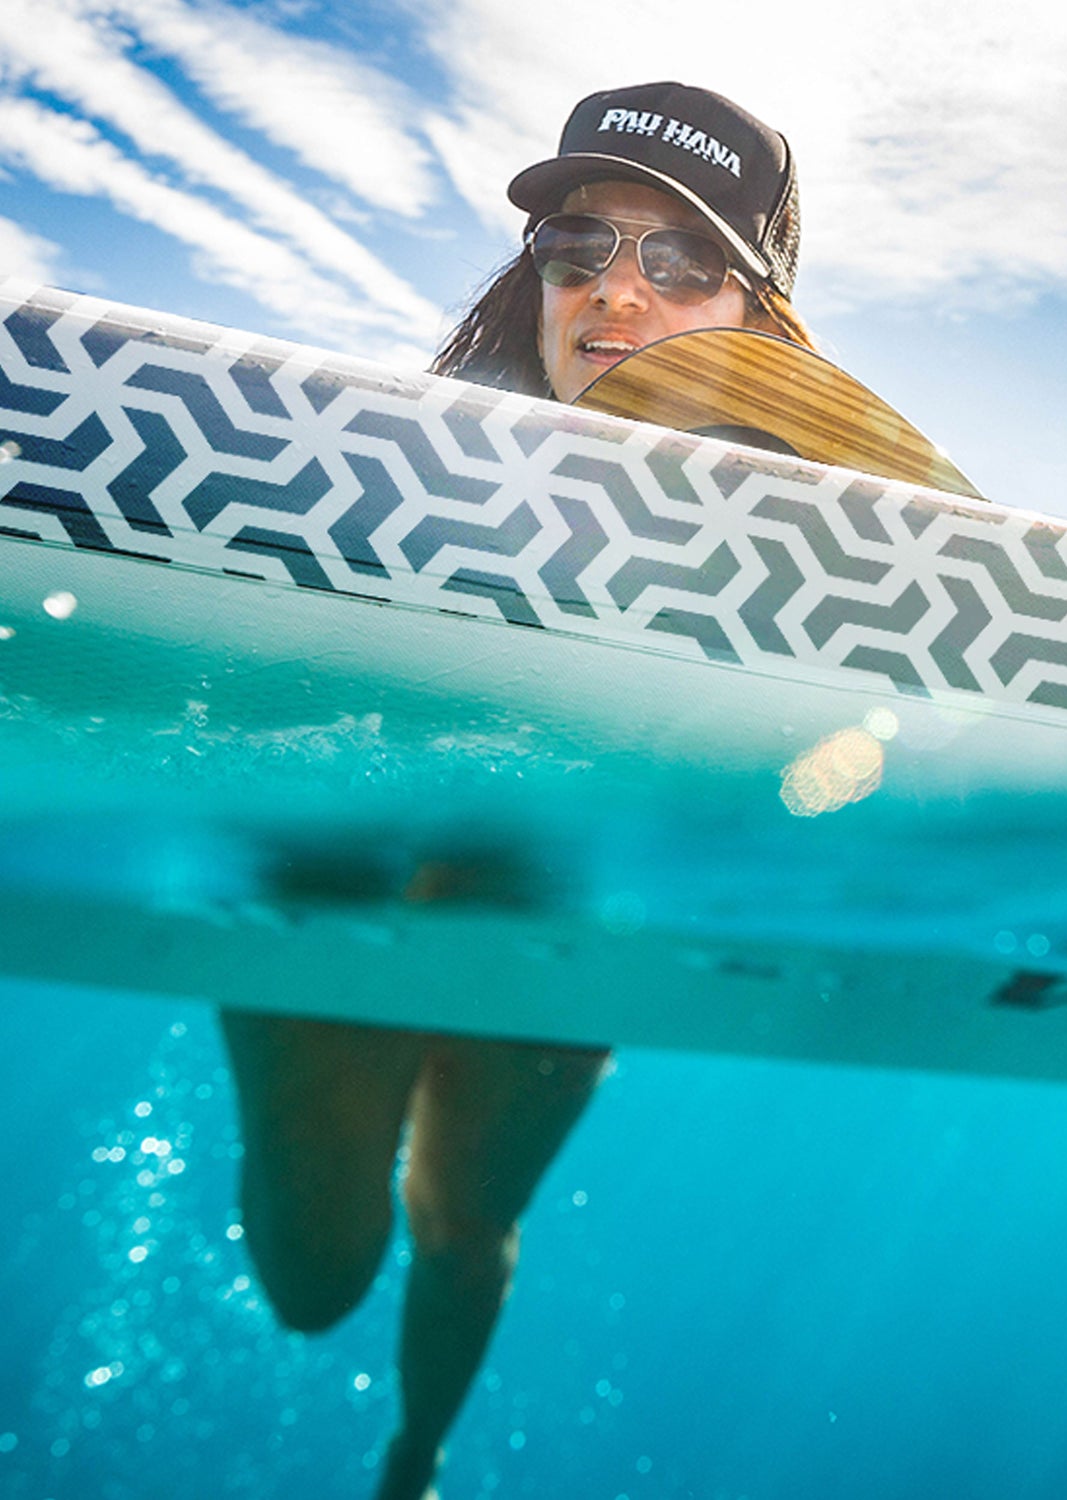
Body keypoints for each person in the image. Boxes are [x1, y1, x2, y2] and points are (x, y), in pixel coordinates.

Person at [223, 81, 817, 1500]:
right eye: (579, 248)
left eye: (680, 264)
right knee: (315, 1283)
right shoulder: (379, 468)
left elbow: (840, 766)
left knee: (466, 1221)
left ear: (758, 312)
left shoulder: (824, 538)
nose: (616, 294)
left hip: (562, 895)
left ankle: (416, 1456)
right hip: (350, 869)